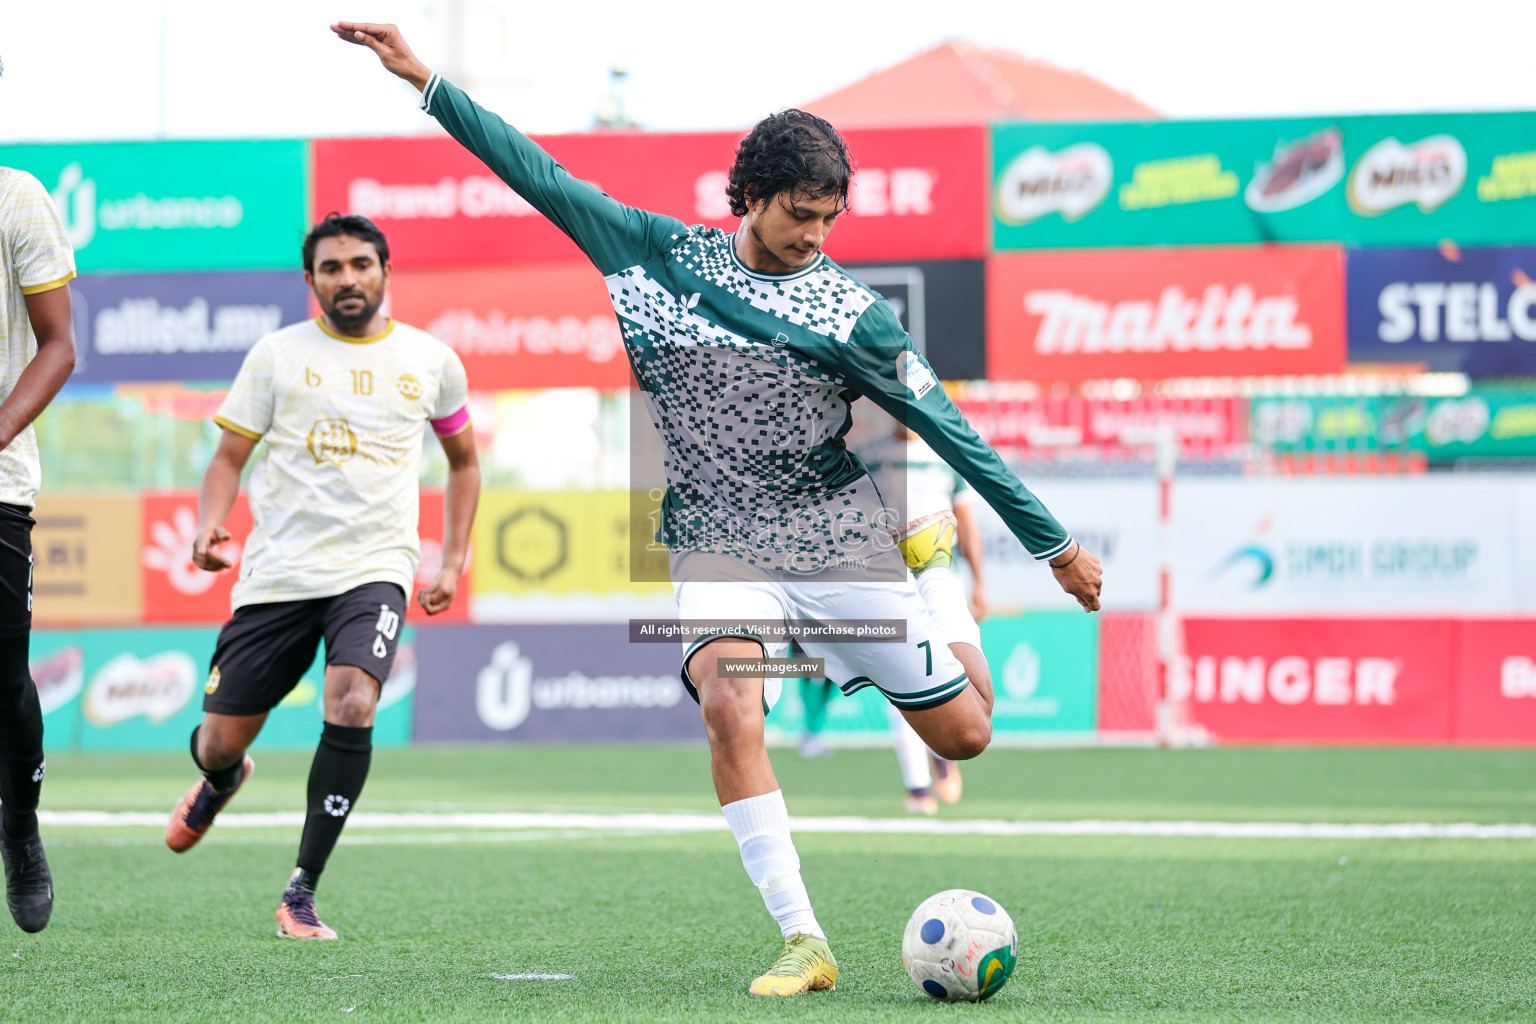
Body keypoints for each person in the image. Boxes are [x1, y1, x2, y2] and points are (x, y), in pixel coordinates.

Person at [336, 20, 1101, 994]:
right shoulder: (652, 254)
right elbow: (536, 171)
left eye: (828, 220)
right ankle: (803, 938)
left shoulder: (851, 315)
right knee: (731, 702)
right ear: (749, 196)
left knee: (968, 734)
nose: (813, 238)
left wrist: (1056, 546)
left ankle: (933, 571)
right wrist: (428, 82)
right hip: (713, 538)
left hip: (836, 541)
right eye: (798, 216)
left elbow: (952, 427)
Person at [163, 213, 480, 940]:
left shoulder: (432, 360)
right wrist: (210, 522)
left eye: (360, 264)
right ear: (310, 282)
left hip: (375, 569)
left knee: (352, 699)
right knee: (218, 742)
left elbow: (465, 464)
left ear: (385, 270)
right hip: (277, 574)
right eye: (331, 268)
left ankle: (300, 891)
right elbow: (226, 459)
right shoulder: (276, 356)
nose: (348, 278)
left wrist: (453, 561)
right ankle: (221, 781)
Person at [0, 129, 79, 934]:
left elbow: (59, 346)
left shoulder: (16, 194)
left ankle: (18, 828)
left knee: (4, 683)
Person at [859, 420, 989, 814]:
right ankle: (916, 786)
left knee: (957, 671)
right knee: (900, 677)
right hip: (887, 582)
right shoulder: (869, 454)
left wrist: (980, 581)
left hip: (937, 580)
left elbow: (965, 520)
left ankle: (940, 747)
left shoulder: (945, 452)